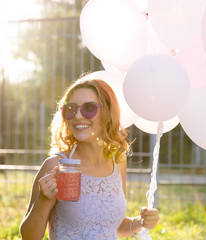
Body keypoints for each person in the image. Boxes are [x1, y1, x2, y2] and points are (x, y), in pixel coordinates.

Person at [19, 76, 159, 240]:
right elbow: (29, 236)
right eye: (71, 109)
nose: (78, 115)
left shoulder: (118, 160)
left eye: (89, 108)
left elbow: (114, 225)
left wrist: (141, 222)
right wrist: (43, 199)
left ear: (107, 112)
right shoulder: (57, 165)